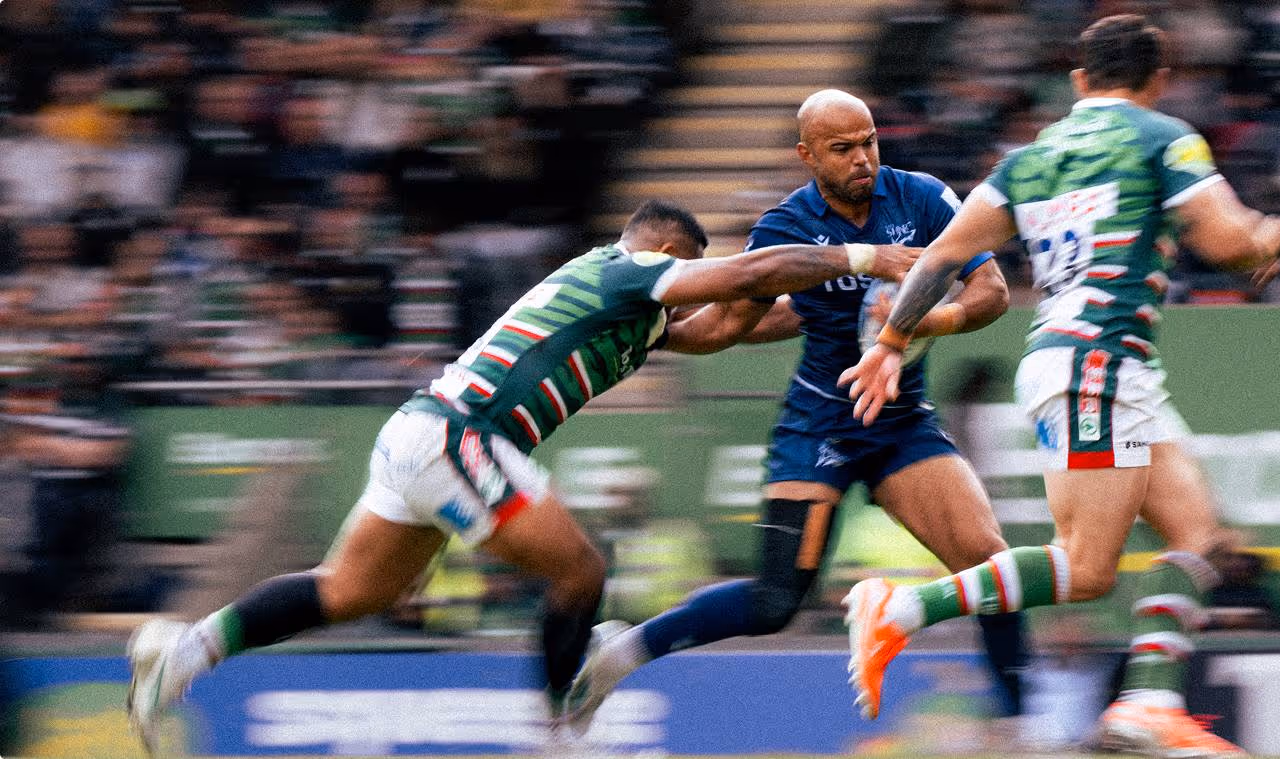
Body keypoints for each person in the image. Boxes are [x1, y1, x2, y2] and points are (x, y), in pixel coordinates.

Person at [125, 200, 919, 753]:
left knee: (350, 591)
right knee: (580, 568)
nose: (684, 288)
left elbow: (727, 323)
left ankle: (184, 652)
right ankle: (561, 733)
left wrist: (844, 308)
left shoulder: (629, 317)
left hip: (421, 432)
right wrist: (867, 257)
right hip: (460, 437)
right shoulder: (624, 270)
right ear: (664, 252)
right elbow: (740, 282)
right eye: (687, 272)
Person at [838, 15, 1280, 759]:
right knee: (1084, 568)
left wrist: (891, 340)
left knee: (1195, 532)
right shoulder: (1162, 136)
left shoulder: (1029, 159)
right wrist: (1268, 237)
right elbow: (1226, 242)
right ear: (1159, 79)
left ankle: (1146, 703)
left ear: (1079, 80)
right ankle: (903, 604)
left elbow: (941, 256)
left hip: (1097, 362)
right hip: (1097, 365)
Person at [562, 89, 1029, 732]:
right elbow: (732, 323)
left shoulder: (923, 197)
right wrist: (656, 334)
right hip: (819, 424)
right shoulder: (785, 228)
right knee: (775, 601)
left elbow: (992, 292)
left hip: (899, 421)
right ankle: (621, 653)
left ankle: (1020, 732)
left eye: (869, 141)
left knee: (994, 570)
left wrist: (918, 321)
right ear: (806, 155)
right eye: (843, 149)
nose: (862, 159)